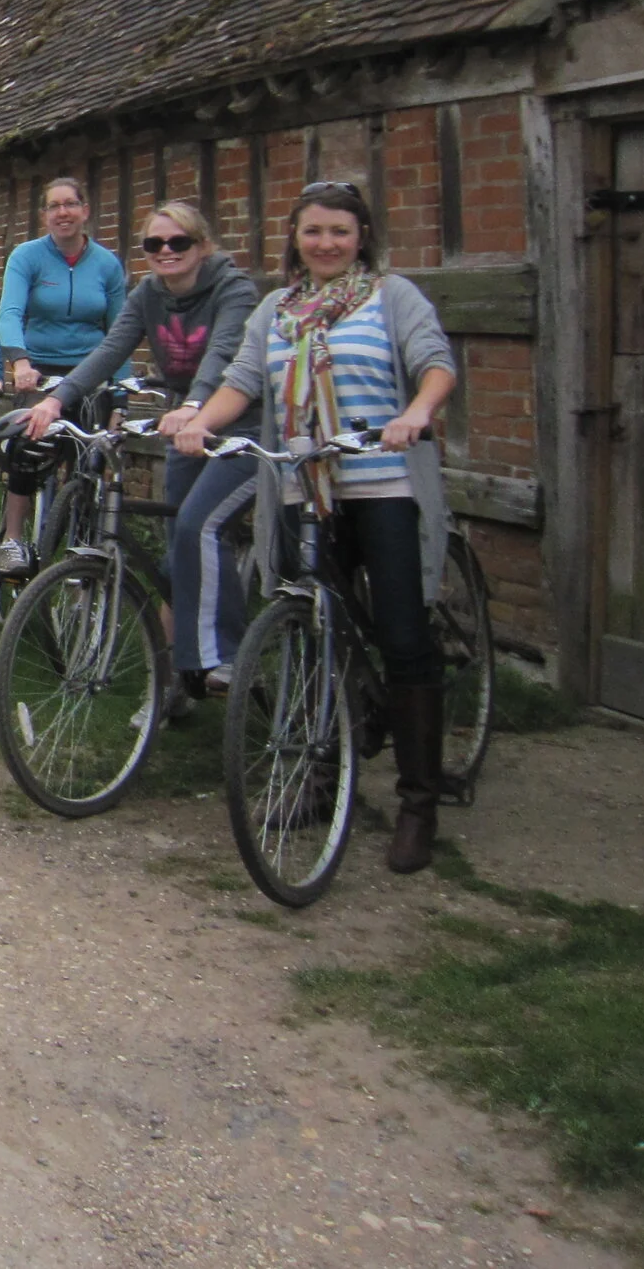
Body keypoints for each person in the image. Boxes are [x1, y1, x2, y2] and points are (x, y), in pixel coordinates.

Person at [177, 182, 458, 872]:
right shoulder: (278, 309)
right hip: (305, 490)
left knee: (400, 634)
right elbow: (244, 380)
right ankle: (319, 776)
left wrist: (415, 412)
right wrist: (201, 420)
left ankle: (420, 801)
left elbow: (435, 365)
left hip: (382, 485)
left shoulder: (392, 296)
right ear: (294, 238)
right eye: (313, 232)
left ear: (362, 234)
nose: (326, 243)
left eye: (339, 230)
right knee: (310, 636)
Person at [20, 202, 259, 697]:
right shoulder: (148, 293)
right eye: (154, 245)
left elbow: (224, 353)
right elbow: (111, 350)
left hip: (242, 426)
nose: (166, 252)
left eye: (178, 243)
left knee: (200, 527)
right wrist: (56, 400)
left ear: (203, 247)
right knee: (179, 552)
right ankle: (174, 683)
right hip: (183, 426)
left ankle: (227, 657)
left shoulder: (234, 290)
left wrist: (195, 404)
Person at [0, 177, 128, 575]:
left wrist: (120, 396)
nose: (63, 213)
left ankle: (82, 541)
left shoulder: (106, 264)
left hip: (91, 371)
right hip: (40, 370)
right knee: (27, 449)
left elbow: (120, 331)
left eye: (70, 204)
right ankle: (13, 540)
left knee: (91, 459)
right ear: (45, 215)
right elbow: (11, 312)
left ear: (86, 210)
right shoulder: (27, 256)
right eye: (54, 206)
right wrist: (19, 362)